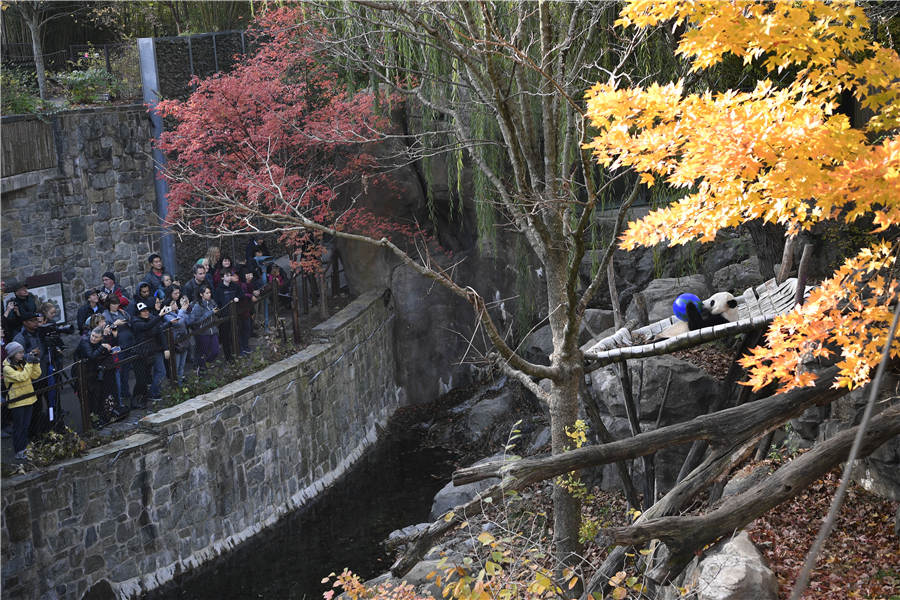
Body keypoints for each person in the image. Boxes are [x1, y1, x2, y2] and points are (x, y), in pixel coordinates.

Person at [2, 341, 41, 460]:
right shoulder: (7, 368)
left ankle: (24, 448)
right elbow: (22, 377)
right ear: (13, 354)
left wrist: (35, 363)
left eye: (23, 352)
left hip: (28, 398)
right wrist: (29, 363)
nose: (22, 354)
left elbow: (35, 375)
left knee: (26, 426)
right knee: (19, 427)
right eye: (20, 352)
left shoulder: (22, 363)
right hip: (17, 401)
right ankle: (19, 450)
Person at [74, 327, 116, 424]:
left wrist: (110, 350)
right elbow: (91, 355)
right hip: (82, 374)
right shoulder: (85, 341)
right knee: (86, 399)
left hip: (94, 373)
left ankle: (96, 418)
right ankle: (88, 423)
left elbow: (103, 354)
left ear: (101, 338)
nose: (93, 338)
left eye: (96, 337)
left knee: (97, 397)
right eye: (92, 335)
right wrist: (103, 346)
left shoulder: (101, 341)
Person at [132, 301, 170, 406]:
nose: (146, 312)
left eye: (146, 310)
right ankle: (141, 398)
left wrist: (166, 348)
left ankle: (153, 392)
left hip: (155, 349)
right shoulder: (135, 321)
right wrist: (159, 316)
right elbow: (145, 327)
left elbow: (160, 332)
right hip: (142, 353)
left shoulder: (152, 318)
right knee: (142, 380)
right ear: (138, 313)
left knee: (161, 371)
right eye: (143, 311)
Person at [188, 285, 220, 374]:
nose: (209, 295)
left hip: (213, 330)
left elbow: (216, 311)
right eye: (207, 293)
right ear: (201, 294)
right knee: (203, 352)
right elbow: (195, 321)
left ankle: (206, 363)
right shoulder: (197, 306)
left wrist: (216, 312)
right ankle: (201, 369)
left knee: (215, 351)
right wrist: (210, 313)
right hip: (203, 332)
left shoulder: (212, 302)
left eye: (209, 293)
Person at [214, 269, 241, 361]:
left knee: (235, 334)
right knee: (225, 337)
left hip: (235, 314)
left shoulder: (235, 286)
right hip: (224, 317)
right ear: (222, 277)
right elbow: (217, 303)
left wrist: (238, 298)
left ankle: (236, 353)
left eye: (230, 275)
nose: (229, 277)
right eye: (226, 275)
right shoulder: (219, 289)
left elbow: (241, 294)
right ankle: (228, 357)